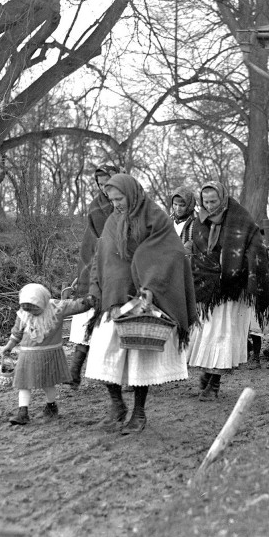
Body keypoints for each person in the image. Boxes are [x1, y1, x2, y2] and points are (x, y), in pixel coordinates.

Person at [84, 174, 198, 435]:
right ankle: (116, 405)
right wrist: (96, 291)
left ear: (132, 194)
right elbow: (101, 257)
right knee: (103, 355)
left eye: (119, 198)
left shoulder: (154, 217)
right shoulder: (113, 221)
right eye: (111, 200)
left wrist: (150, 288)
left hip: (141, 300)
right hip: (113, 300)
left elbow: (169, 253)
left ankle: (138, 412)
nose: (115, 204)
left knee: (138, 360)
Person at [187, 181, 269, 400]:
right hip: (206, 290)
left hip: (231, 288)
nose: (210, 205)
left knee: (222, 334)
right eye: (205, 201)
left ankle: (214, 383)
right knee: (206, 333)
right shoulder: (199, 222)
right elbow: (197, 252)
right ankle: (207, 372)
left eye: (213, 201)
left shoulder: (240, 219)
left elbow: (256, 249)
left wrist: (237, 267)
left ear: (223, 198)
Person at [2, 283, 94, 425]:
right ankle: (22, 412)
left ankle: (51, 406)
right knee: (23, 384)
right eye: (26, 307)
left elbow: (79, 305)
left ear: (42, 301)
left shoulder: (57, 308)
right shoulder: (23, 313)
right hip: (27, 355)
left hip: (49, 355)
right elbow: (17, 332)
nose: (30, 310)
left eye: (34, 306)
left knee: (48, 384)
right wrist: (9, 346)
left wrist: (93, 296)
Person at [66, 165, 119, 387]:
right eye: (99, 184)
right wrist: (85, 271)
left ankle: (122, 374)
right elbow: (90, 242)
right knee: (87, 314)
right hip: (95, 263)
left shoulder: (128, 205)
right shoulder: (96, 207)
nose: (103, 188)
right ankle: (75, 369)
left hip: (119, 265)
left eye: (107, 183)